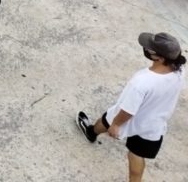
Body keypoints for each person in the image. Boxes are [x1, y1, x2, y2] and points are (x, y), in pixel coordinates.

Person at [76, 32, 185, 182]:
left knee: (107, 120)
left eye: (150, 49)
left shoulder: (142, 81)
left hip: (128, 118)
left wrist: (116, 125)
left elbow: (127, 110)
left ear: (159, 58)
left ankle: (91, 132)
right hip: (153, 125)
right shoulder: (179, 71)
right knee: (136, 155)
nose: (146, 49)